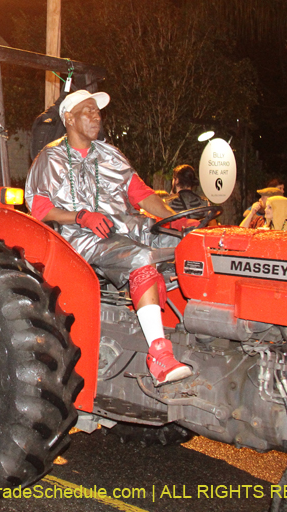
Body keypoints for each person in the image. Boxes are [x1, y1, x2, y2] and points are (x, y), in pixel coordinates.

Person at [25, 89, 191, 386]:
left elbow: (141, 194)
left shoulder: (111, 155)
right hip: (79, 237)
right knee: (139, 257)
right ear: (69, 118)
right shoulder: (50, 158)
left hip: (126, 228)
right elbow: (40, 208)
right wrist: (81, 216)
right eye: (87, 110)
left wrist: (172, 219)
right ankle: (159, 356)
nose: (95, 116)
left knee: (189, 245)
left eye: (97, 111)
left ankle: (196, 333)